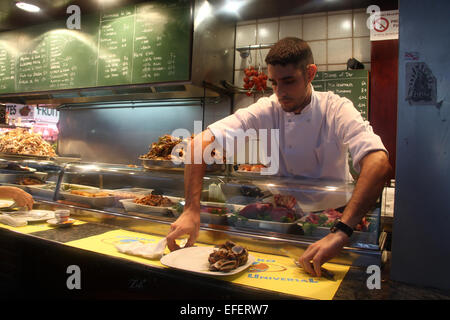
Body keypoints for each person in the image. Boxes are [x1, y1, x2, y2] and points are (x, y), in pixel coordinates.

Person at [166, 37, 392, 276]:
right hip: (281, 217)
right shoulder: (267, 108)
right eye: (274, 83)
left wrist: (341, 231)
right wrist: (191, 209)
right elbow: (199, 143)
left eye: (288, 81)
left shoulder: (335, 108)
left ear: (310, 73)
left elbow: (379, 163)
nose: (280, 92)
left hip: (333, 219)